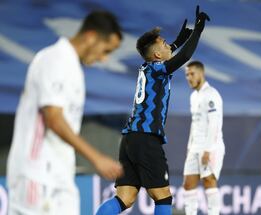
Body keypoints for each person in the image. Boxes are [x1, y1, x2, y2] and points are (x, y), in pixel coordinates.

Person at [95, 6, 210, 215]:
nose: (169, 47)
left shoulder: (147, 68)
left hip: (130, 139)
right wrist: (197, 32)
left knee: (125, 198)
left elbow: (167, 54)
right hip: (146, 139)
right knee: (163, 197)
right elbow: (182, 57)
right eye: (165, 45)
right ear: (157, 54)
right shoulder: (158, 69)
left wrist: (177, 40)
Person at [6, 11, 124, 215]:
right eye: (105, 50)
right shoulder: (55, 59)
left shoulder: (71, 66)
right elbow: (53, 118)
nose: (104, 59)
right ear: (91, 36)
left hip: (57, 176)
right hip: (38, 174)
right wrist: (96, 158)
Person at [182, 61, 225, 215]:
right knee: (188, 184)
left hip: (211, 147)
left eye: (192, 74)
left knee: (209, 181)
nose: (189, 77)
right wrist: (189, 147)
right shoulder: (193, 96)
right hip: (194, 147)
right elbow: (195, 124)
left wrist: (208, 150)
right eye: (187, 74)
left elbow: (214, 124)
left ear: (201, 73)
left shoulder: (211, 94)